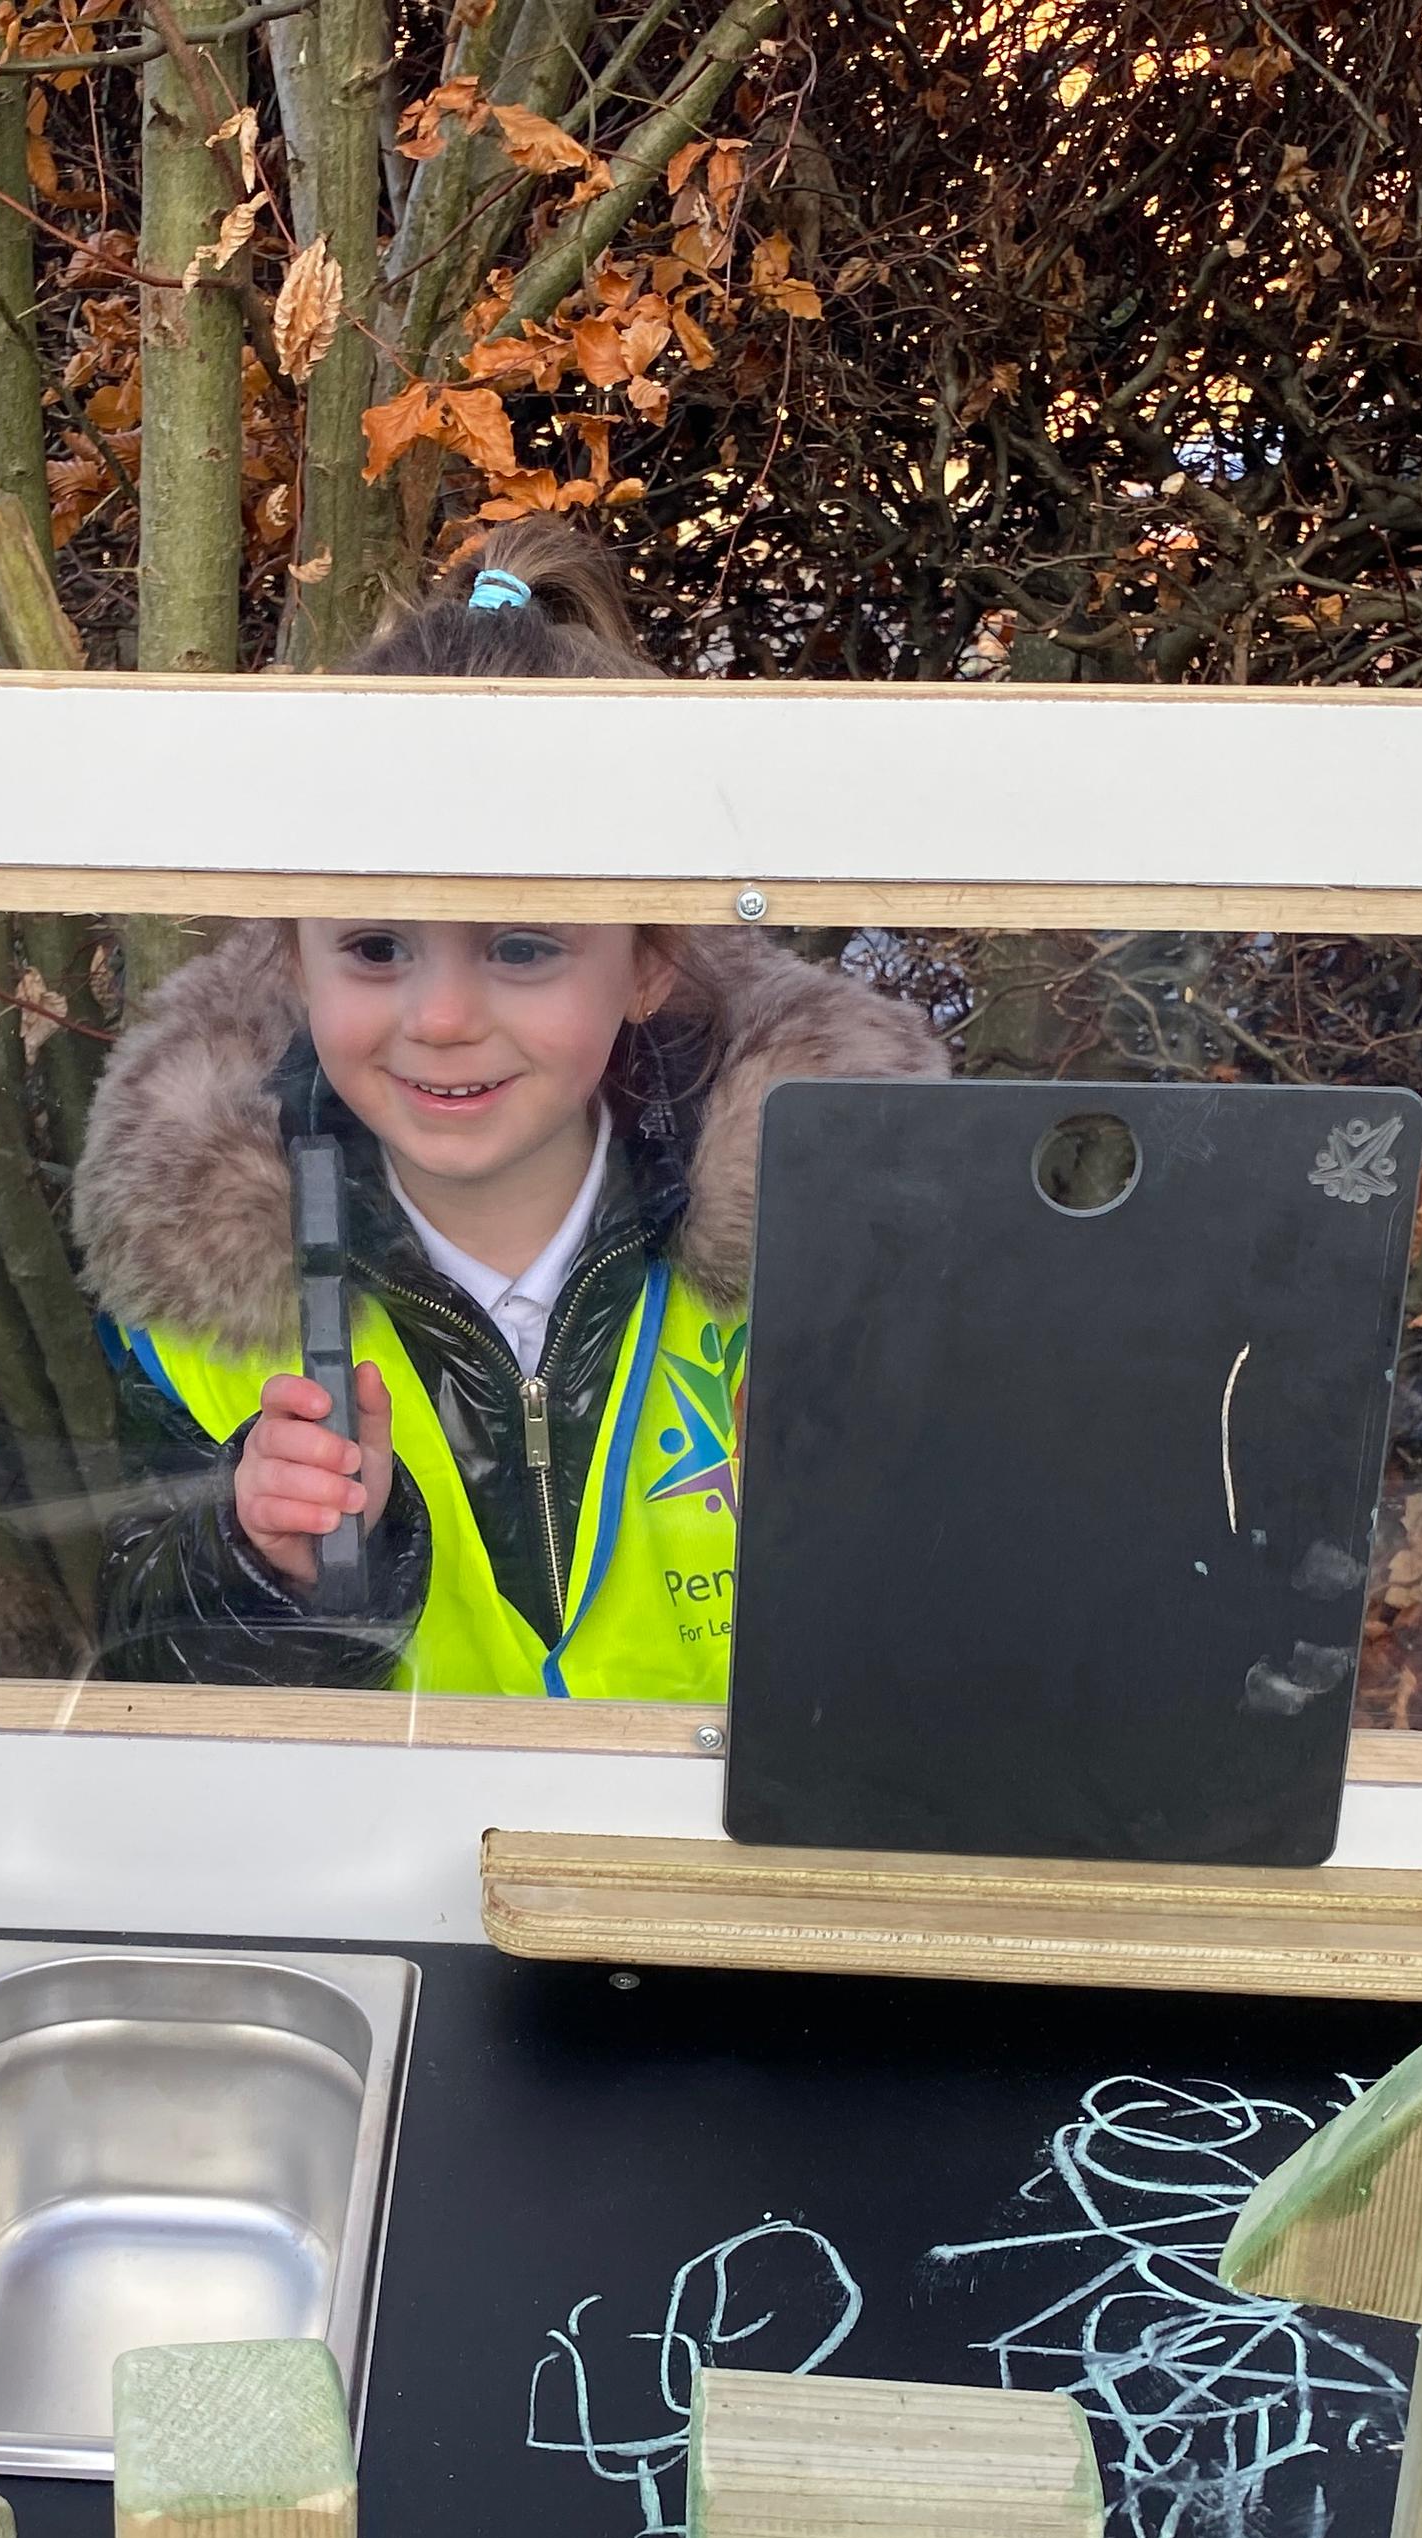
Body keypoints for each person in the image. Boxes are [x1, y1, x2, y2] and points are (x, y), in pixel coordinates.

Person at [75, 518, 947, 1695]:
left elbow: (942, 1638)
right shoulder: (197, 1283)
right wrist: (257, 1562)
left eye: (523, 947)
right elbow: (155, 1666)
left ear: (647, 963)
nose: (440, 1018)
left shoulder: (837, 1243)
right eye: (378, 947)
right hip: (403, 1869)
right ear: (292, 960)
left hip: (723, 1871)